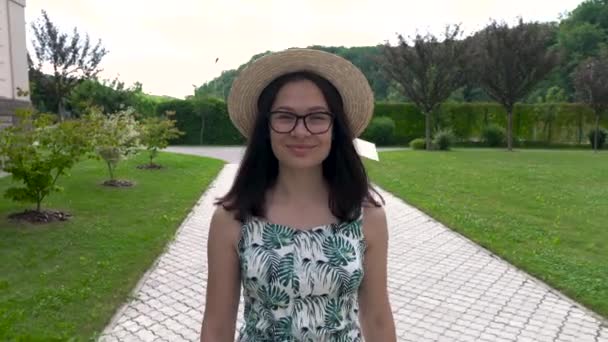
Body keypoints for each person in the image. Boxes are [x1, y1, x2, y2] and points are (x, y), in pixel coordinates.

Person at [200, 48, 396, 341]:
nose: (301, 132)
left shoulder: (367, 216)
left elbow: (377, 319)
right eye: (285, 116)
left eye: (316, 117)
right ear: (266, 128)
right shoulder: (232, 218)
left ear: (335, 128)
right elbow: (217, 327)